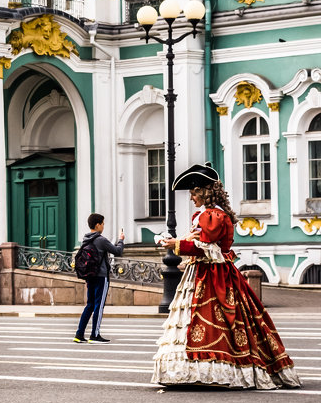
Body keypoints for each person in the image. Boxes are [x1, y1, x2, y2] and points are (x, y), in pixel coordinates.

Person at [151, 164, 300, 389]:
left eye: (194, 193)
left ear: (204, 192)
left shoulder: (213, 216)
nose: (191, 197)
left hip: (211, 274)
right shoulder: (210, 215)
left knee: (212, 318)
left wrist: (177, 244)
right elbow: (202, 243)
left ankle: (213, 370)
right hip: (210, 271)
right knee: (231, 321)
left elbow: (206, 248)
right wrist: (181, 241)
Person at [74, 213, 124, 343]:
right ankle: (94, 335)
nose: (103, 226)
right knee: (99, 306)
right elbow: (117, 251)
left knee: (89, 305)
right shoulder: (101, 240)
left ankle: (79, 334)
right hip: (101, 276)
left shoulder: (85, 239)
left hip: (90, 276)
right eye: (102, 223)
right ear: (97, 225)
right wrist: (121, 240)